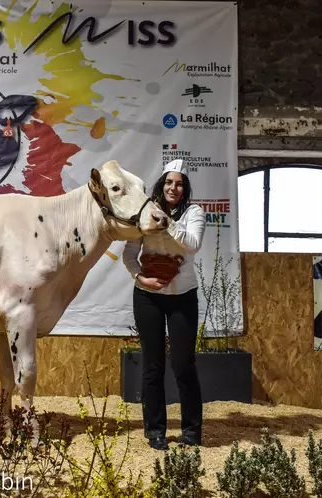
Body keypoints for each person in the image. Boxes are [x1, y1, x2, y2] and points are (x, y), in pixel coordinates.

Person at [122, 158, 206, 451]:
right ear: (161, 185)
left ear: (185, 188)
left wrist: (167, 222)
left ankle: (192, 430)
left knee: (184, 364)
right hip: (148, 297)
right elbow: (130, 254)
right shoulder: (145, 214)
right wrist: (140, 278)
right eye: (169, 182)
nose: (174, 187)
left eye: (179, 183)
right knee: (153, 365)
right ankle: (155, 430)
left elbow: (193, 244)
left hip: (183, 296)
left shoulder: (194, 212)